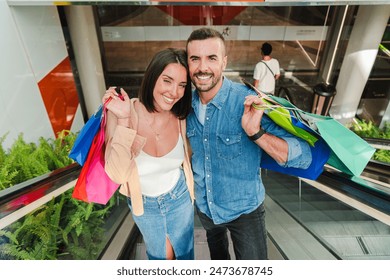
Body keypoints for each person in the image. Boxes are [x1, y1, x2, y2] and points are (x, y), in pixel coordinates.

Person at [185, 28, 312, 260]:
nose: (202, 67)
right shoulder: (184, 107)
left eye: (211, 58)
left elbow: (304, 155)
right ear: (188, 63)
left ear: (224, 62)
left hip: (246, 212)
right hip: (206, 208)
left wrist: (256, 133)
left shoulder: (248, 101)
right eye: (195, 59)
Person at [102, 48, 194, 260]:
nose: (174, 92)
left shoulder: (181, 115)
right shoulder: (123, 113)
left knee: (186, 254)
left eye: (182, 85)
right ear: (152, 77)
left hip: (180, 197)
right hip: (145, 204)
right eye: (167, 80)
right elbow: (117, 175)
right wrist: (124, 120)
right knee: (160, 257)